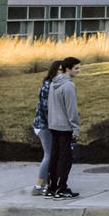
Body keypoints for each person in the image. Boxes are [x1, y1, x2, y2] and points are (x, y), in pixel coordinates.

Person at [45, 58, 82, 199]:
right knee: (65, 159)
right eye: (76, 68)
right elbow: (71, 110)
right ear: (68, 69)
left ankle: (52, 186)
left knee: (54, 157)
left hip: (53, 125)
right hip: (64, 127)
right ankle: (61, 188)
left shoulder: (53, 83)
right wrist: (75, 128)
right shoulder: (68, 86)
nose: (78, 71)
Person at [31, 60, 64, 195]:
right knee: (49, 155)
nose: (63, 73)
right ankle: (38, 186)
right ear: (54, 71)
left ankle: (47, 183)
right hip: (45, 126)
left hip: (50, 125)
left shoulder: (57, 85)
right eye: (60, 70)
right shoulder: (48, 87)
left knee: (53, 155)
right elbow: (46, 110)